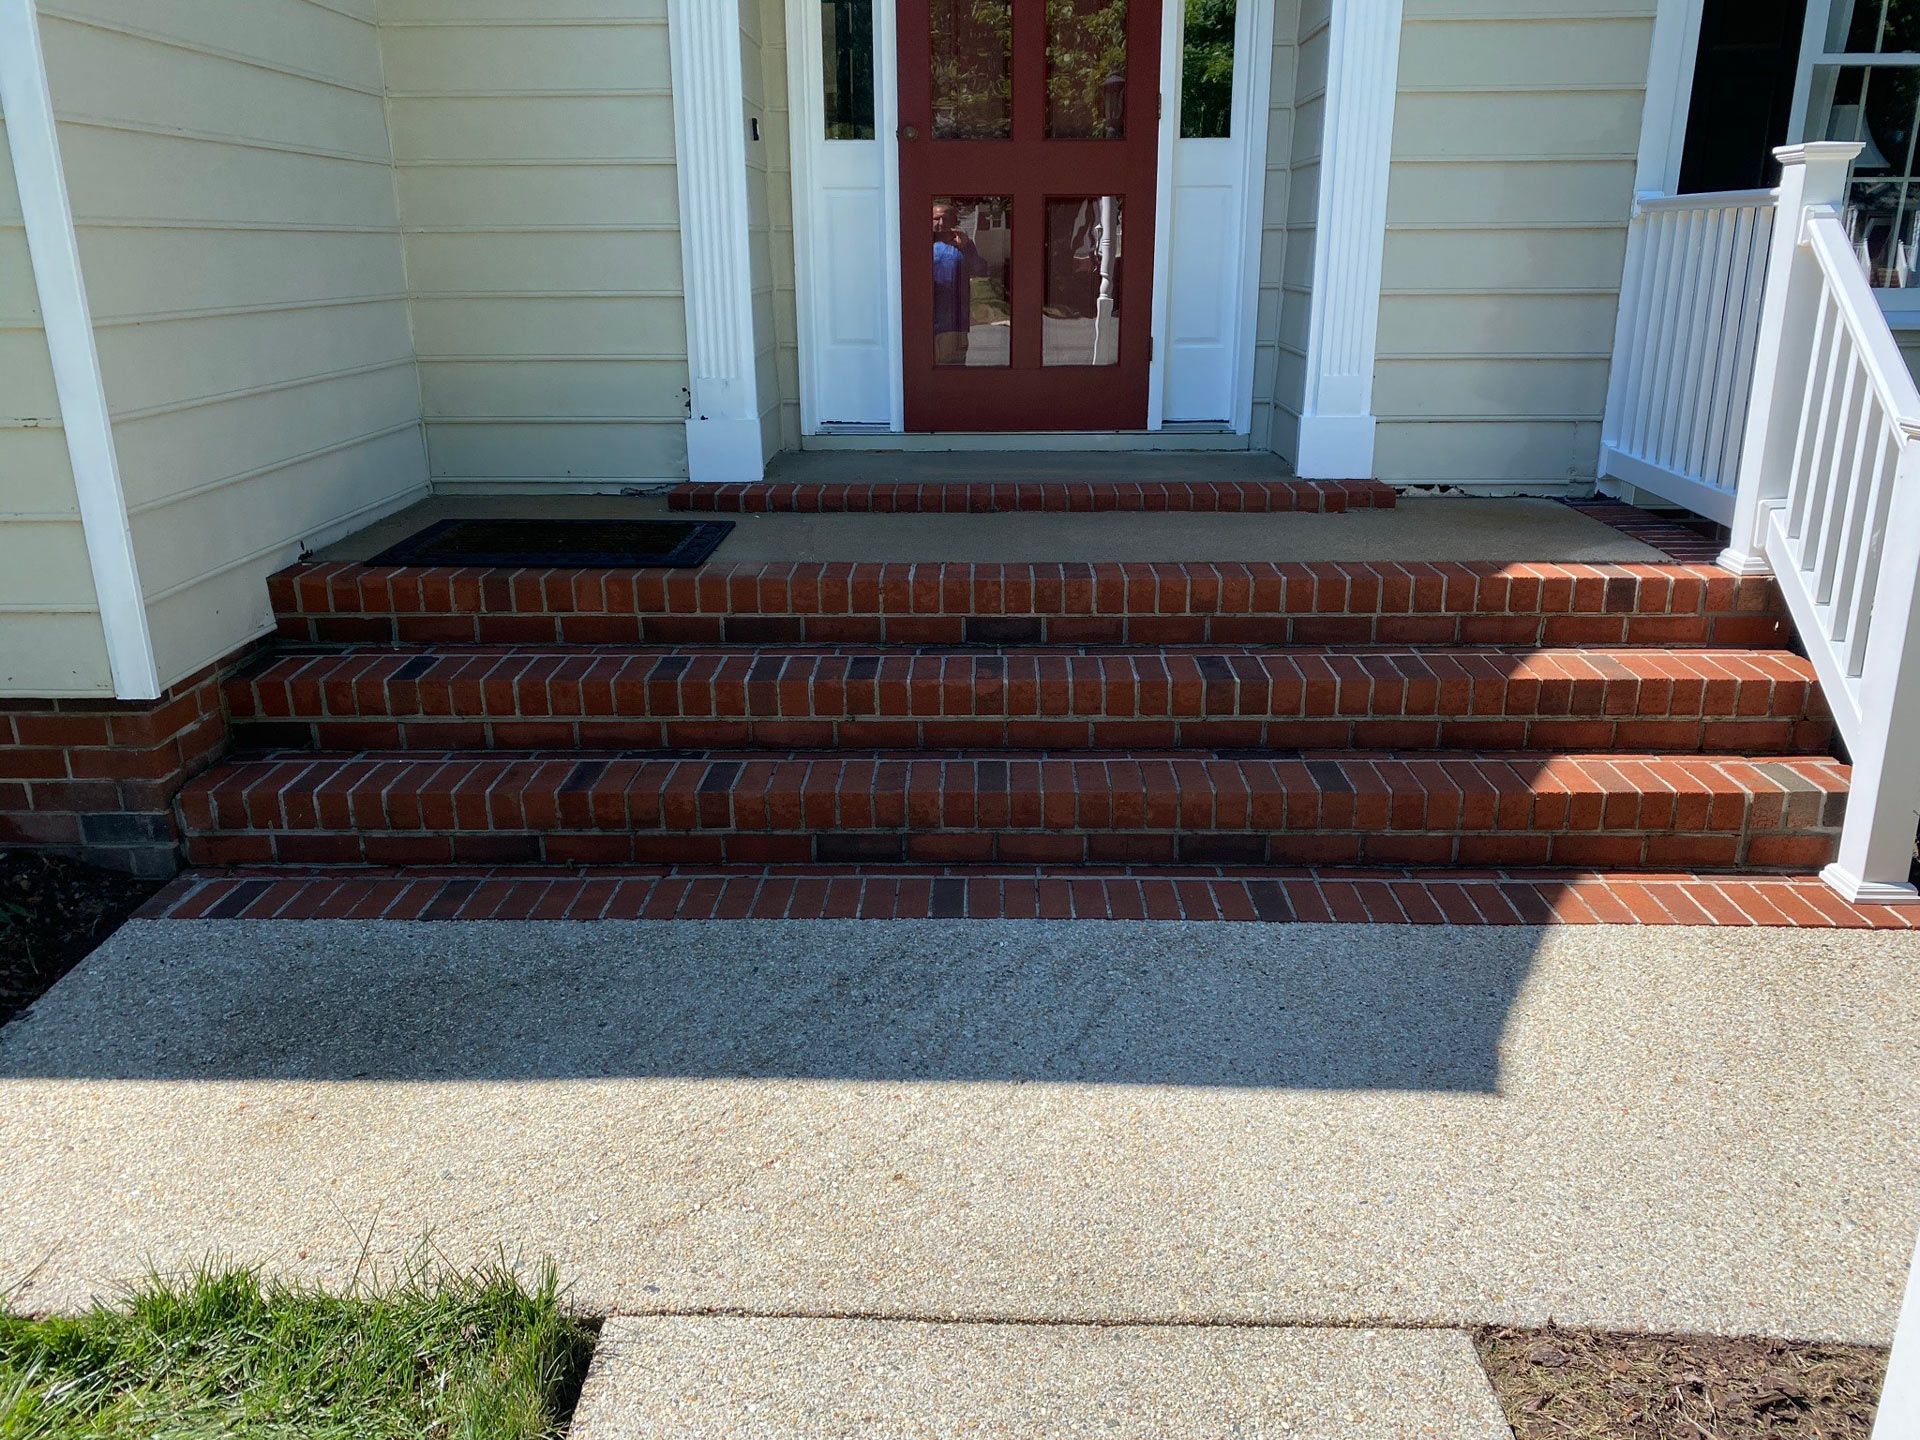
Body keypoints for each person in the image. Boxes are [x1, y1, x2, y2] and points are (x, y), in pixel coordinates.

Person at [932, 202, 989, 366]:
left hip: (954, 318)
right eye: (937, 219)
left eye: (946, 219)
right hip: (925, 318)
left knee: (952, 368)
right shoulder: (920, 244)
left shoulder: (964, 244)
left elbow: (980, 270)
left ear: (953, 221)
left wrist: (965, 247)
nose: (941, 223)